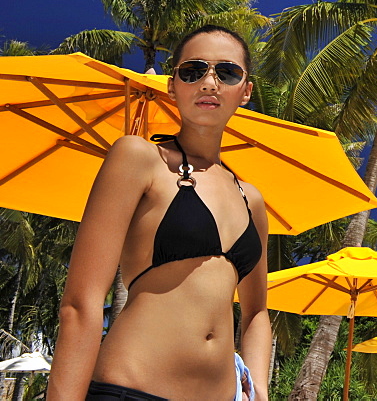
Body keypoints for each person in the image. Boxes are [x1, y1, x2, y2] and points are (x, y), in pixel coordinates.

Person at [48, 25, 270, 401]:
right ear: (172, 86)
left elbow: (257, 314)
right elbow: (80, 305)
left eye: (227, 72)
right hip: (131, 389)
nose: (209, 82)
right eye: (192, 71)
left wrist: (260, 389)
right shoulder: (138, 158)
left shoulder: (252, 199)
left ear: (246, 90)